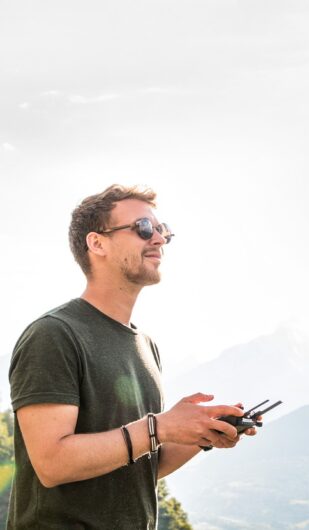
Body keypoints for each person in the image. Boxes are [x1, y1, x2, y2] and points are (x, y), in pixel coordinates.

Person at [8, 184, 253, 529]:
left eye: (163, 230)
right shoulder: (54, 334)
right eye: (144, 228)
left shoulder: (145, 344)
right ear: (97, 243)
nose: (159, 239)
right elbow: (53, 464)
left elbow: (140, 466)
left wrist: (202, 434)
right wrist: (161, 426)